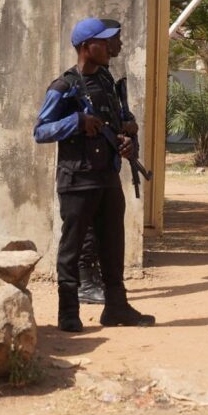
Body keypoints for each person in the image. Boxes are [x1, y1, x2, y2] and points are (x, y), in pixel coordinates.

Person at [34, 17, 155, 332]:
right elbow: (40, 130)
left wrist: (126, 141)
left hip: (106, 177)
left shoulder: (105, 80)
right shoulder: (63, 86)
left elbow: (118, 121)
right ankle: (68, 312)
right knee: (72, 248)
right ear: (87, 47)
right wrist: (75, 121)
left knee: (113, 245)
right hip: (76, 180)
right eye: (105, 42)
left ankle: (116, 308)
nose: (112, 47)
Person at [76, 31, 139, 306]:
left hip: (107, 164)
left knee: (107, 229)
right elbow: (45, 127)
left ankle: (103, 285)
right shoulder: (75, 82)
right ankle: (83, 283)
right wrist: (80, 122)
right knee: (87, 228)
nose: (119, 45)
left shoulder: (107, 78)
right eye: (113, 40)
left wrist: (128, 133)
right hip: (86, 167)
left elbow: (117, 115)